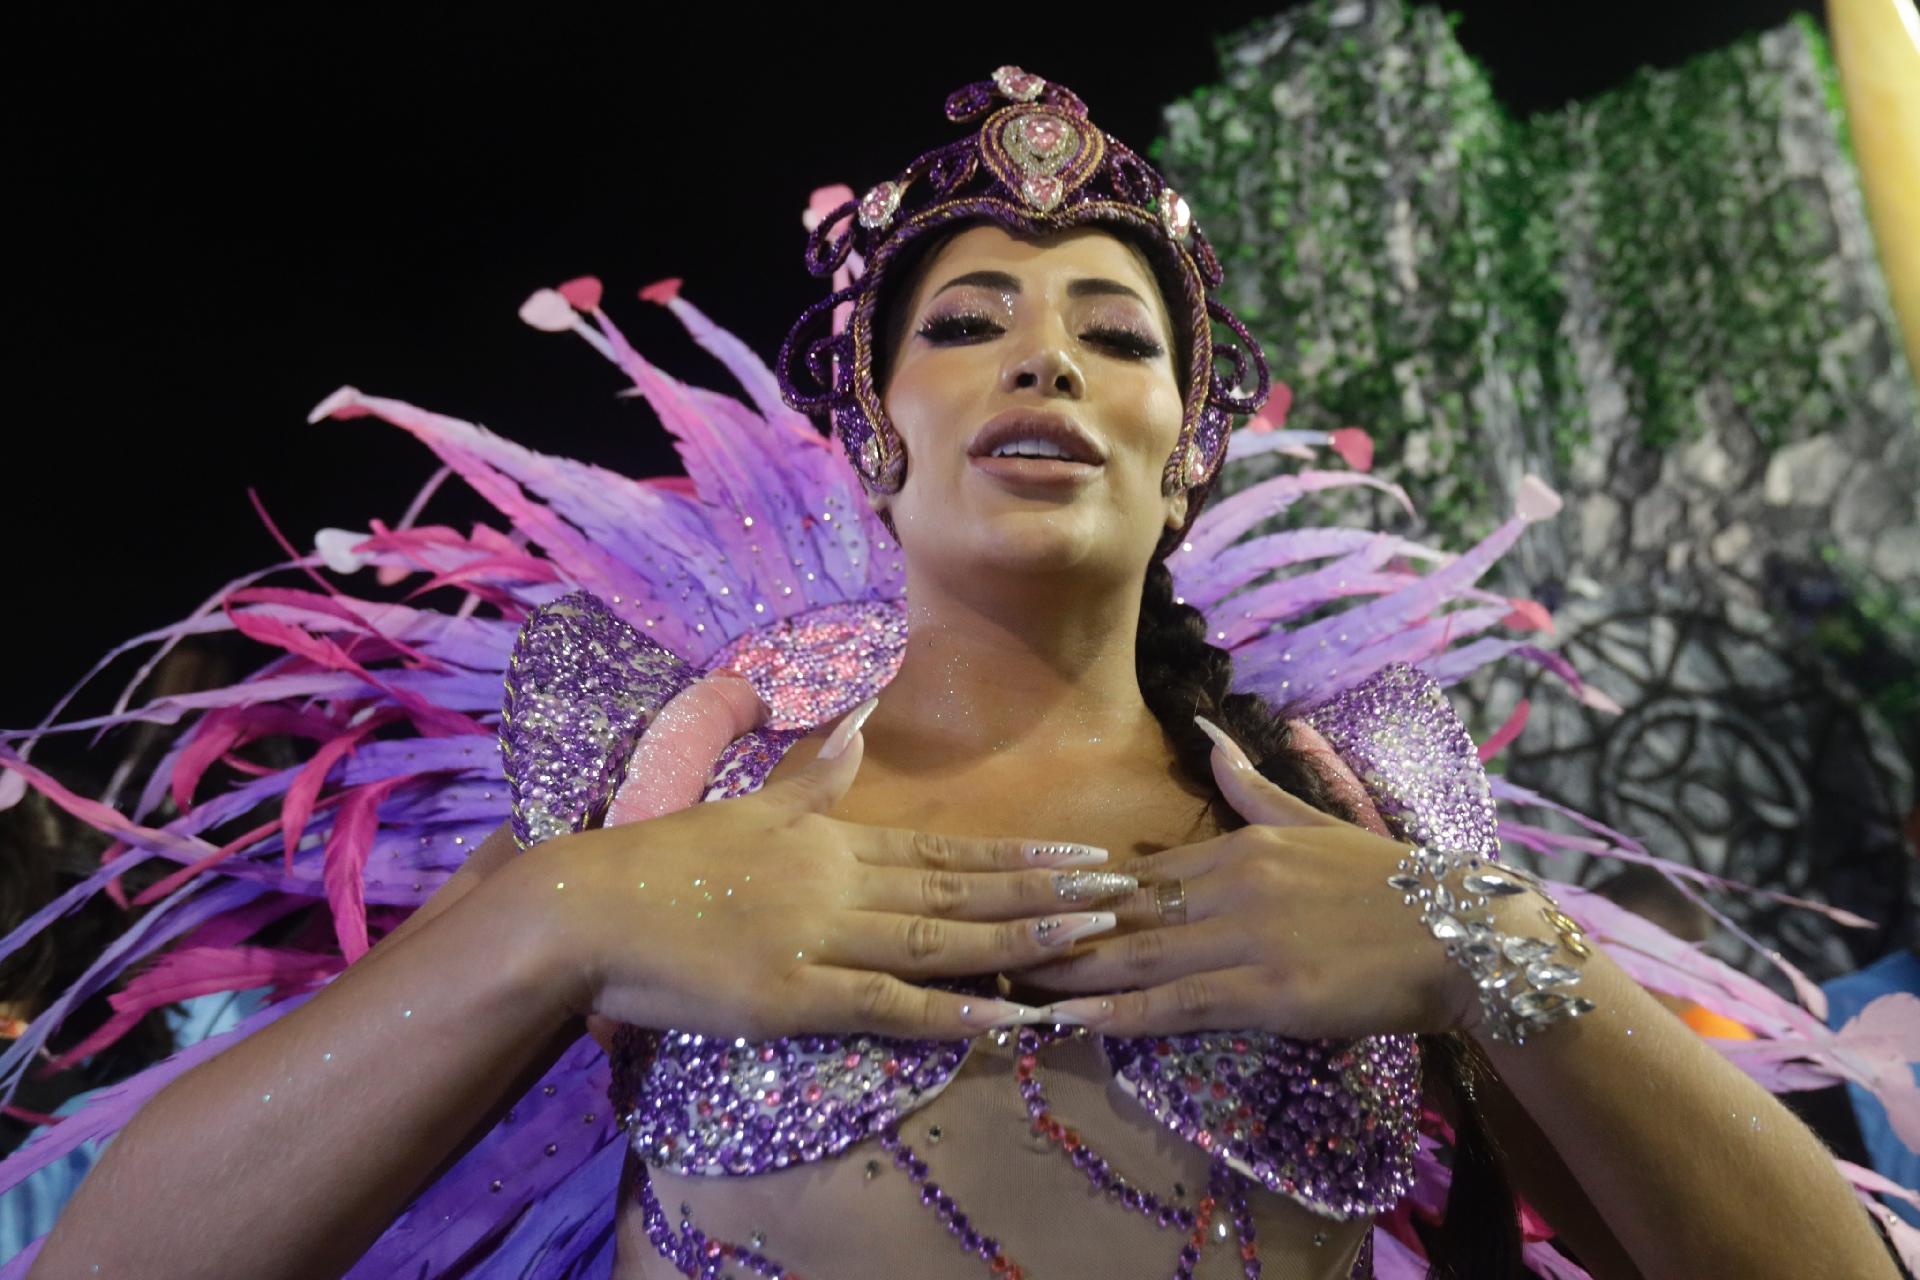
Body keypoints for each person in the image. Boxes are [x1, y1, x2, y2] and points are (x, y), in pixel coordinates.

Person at [5, 69, 1913, 1280]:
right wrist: (566, 923)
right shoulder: (670, 788)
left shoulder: (1359, 812)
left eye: (1115, 333)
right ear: (876, 435)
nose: (1048, 362)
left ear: (1186, 452)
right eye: (972, 321)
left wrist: (1467, 943)